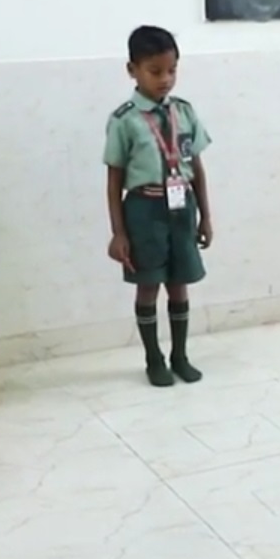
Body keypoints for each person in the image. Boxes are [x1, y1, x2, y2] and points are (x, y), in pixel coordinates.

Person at [104, 26, 214, 387]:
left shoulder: (184, 112)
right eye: (155, 71)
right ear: (132, 70)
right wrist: (119, 232)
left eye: (172, 70)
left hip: (182, 209)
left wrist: (205, 216)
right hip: (144, 211)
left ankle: (180, 356)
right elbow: (114, 179)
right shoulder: (124, 120)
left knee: (179, 283)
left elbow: (196, 167)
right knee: (149, 284)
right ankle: (154, 359)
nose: (165, 79)